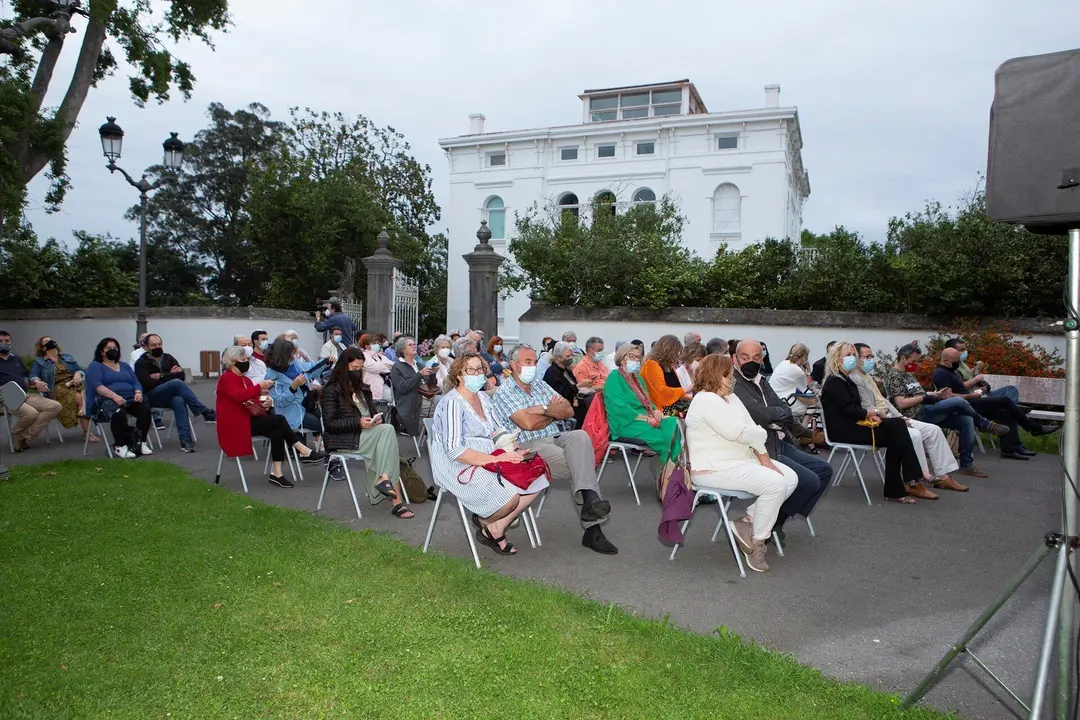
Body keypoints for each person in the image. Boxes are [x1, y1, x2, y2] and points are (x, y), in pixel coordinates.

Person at [492, 344, 618, 555]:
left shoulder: (540, 385)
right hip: (528, 446)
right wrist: (552, 412)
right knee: (580, 464)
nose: (533, 366)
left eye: (534, 361)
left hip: (556, 437)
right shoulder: (505, 392)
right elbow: (527, 424)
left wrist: (541, 409)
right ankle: (592, 524)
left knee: (580, 436)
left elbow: (568, 410)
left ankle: (590, 504)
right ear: (513, 365)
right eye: (528, 362)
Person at [686, 353, 799, 573]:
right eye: (728, 375)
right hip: (712, 468)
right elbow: (740, 432)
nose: (732, 379)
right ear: (715, 375)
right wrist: (761, 451)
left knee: (791, 478)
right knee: (776, 484)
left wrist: (759, 448)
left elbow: (753, 429)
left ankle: (747, 521)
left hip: (739, 461)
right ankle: (757, 542)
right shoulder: (705, 399)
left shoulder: (731, 398)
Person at [431, 352, 548, 556]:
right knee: (510, 498)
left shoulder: (483, 397)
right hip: (458, 464)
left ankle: (495, 526)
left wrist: (514, 449)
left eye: (480, 369)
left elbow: (498, 430)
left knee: (537, 475)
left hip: (489, 457)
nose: (478, 374)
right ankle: (486, 519)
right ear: (459, 375)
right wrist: (497, 458)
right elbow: (454, 450)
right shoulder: (453, 403)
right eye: (471, 370)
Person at [731, 339, 832, 543]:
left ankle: (776, 520)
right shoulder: (734, 383)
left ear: (762, 359)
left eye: (756, 357)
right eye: (745, 357)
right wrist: (778, 414)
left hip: (780, 441)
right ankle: (765, 522)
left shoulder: (761, 380)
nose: (751, 362)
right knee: (809, 480)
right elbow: (760, 414)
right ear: (735, 359)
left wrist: (778, 415)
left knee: (824, 471)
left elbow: (784, 409)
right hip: (760, 449)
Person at [852, 343, 966, 494]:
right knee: (919, 431)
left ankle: (943, 476)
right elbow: (880, 406)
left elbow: (884, 401)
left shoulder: (867, 376)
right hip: (883, 419)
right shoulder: (856, 379)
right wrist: (900, 417)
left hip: (896, 415)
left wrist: (900, 417)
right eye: (867, 357)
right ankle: (920, 478)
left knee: (934, 430)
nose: (871, 360)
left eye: (872, 356)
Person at [880, 343, 1007, 479]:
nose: (915, 364)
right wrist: (924, 397)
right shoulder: (894, 376)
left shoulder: (908, 374)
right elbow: (901, 403)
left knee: (966, 420)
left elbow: (916, 394)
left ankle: (966, 465)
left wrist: (933, 394)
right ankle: (986, 424)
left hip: (927, 408)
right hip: (916, 414)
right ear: (903, 358)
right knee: (959, 401)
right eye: (914, 361)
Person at [821, 342, 924, 504]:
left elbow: (854, 409)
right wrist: (872, 412)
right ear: (837, 358)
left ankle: (906, 480)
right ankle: (907, 480)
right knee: (896, 434)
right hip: (844, 430)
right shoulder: (835, 381)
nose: (853, 358)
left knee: (897, 425)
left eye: (854, 355)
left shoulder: (845, 379)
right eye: (848, 355)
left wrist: (871, 414)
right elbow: (850, 411)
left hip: (855, 423)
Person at [321, 347, 414, 518]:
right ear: (344, 367)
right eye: (354, 368)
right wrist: (357, 422)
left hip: (369, 435)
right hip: (345, 439)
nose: (357, 372)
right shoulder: (331, 390)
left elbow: (372, 414)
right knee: (388, 434)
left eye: (360, 368)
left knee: (386, 435)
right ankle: (395, 499)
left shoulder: (363, 389)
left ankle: (386, 481)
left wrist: (375, 420)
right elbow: (330, 424)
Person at [216, 346, 326, 488]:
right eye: (243, 360)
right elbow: (238, 396)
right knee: (279, 419)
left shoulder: (245, 380)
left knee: (277, 432)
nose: (246, 362)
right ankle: (302, 450)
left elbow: (252, 401)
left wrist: (265, 404)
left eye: (247, 359)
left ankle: (277, 473)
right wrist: (259, 387)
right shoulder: (227, 378)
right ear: (232, 362)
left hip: (247, 420)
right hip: (234, 424)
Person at [933, 346, 1057, 460]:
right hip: (965, 406)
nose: (958, 363)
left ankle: (1009, 449)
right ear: (946, 361)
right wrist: (971, 395)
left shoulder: (949, 370)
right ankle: (1034, 427)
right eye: (956, 361)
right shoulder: (941, 374)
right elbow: (948, 396)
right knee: (1004, 400)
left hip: (972, 402)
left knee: (1005, 412)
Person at [604, 342, 683, 481]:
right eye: (631, 356)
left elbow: (648, 402)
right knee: (664, 437)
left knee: (675, 424)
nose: (635, 360)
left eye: (638, 357)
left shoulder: (637, 379)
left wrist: (655, 411)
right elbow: (620, 409)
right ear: (621, 358)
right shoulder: (614, 378)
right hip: (625, 423)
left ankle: (671, 471)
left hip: (644, 418)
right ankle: (669, 476)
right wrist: (646, 418)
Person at [134, 334, 216, 453]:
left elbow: (181, 376)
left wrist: (160, 376)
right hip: (151, 396)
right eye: (153, 345)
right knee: (175, 383)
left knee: (179, 400)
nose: (157, 347)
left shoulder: (168, 358)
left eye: (159, 344)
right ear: (146, 347)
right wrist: (170, 375)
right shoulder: (141, 363)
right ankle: (204, 411)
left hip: (169, 396)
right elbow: (147, 383)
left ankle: (186, 441)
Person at [86, 337, 153, 459]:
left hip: (130, 399)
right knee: (118, 412)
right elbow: (98, 386)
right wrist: (114, 396)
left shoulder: (124, 366)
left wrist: (138, 392)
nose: (113, 350)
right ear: (102, 351)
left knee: (145, 409)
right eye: (109, 348)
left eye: (115, 348)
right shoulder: (95, 366)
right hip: (107, 401)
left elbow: (135, 382)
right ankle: (120, 446)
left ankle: (140, 442)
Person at [0, 330, 62, 450]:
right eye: (1, 341)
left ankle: (23, 436)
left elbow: (26, 377)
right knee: (31, 413)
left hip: (24, 394)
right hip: (5, 398)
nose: (4, 343)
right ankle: (18, 436)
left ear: (11, 342)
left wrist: (36, 383)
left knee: (55, 406)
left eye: (7, 340)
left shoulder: (16, 358)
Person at [29, 335, 96, 443]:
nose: (51, 342)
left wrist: (78, 373)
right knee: (80, 397)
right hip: (56, 388)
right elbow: (33, 376)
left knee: (86, 396)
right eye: (47, 341)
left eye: (51, 340)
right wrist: (37, 381)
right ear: (43, 348)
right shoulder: (40, 362)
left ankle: (87, 431)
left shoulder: (67, 357)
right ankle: (87, 433)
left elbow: (80, 369)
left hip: (74, 383)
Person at [264, 338, 323, 445]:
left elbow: (310, 370)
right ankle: (298, 448)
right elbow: (279, 401)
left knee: (326, 420)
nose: (294, 356)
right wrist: (293, 387)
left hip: (305, 405)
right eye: (291, 354)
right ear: (283, 355)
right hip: (290, 412)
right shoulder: (271, 375)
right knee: (320, 424)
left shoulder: (294, 364)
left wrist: (325, 362)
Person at [945, 337, 1021, 405]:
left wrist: (976, 368)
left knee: (1010, 389)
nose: (965, 352)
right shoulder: (951, 366)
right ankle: (1011, 413)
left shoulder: (961, 362)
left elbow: (968, 375)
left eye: (965, 349)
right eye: (961, 350)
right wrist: (976, 379)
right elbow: (960, 387)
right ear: (951, 351)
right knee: (1009, 394)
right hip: (974, 397)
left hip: (983, 392)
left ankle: (1010, 412)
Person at [389, 335, 437, 441]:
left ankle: (435, 437)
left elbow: (432, 385)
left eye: (414, 344)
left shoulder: (419, 364)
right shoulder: (397, 367)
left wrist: (433, 374)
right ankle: (432, 437)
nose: (414, 346)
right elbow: (402, 388)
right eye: (410, 345)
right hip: (411, 399)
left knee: (442, 403)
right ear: (402, 350)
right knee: (438, 407)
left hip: (426, 396)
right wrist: (419, 375)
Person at [542, 341, 591, 428]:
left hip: (576, 405)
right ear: (558, 358)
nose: (571, 358)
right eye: (567, 356)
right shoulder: (552, 373)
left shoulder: (566, 370)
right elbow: (561, 392)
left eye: (572, 355)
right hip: (565, 410)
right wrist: (579, 386)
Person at [641, 334, 691, 413]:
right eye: (676, 353)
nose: (677, 356)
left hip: (673, 405)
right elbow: (661, 394)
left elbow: (675, 390)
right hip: (660, 409)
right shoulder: (651, 365)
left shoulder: (668, 366)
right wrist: (686, 389)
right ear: (668, 352)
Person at [768, 343, 815, 418]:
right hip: (785, 403)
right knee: (814, 403)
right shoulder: (797, 370)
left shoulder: (783, 363)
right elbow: (805, 391)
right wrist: (808, 371)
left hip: (774, 400)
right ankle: (805, 425)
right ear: (804, 357)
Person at [130, 332, 165, 429]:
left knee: (176, 393)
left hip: (157, 382)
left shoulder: (160, 354)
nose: (156, 346)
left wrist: (162, 375)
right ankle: (156, 418)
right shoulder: (136, 354)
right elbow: (145, 371)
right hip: (140, 381)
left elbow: (170, 371)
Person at [358, 334, 395, 404]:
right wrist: (386, 366)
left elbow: (393, 365)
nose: (377, 345)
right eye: (373, 343)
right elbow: (376, 367)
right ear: (366, 346)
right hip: (371, 387)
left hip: (384, 385)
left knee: (396, 399)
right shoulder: (364, 356)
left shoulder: (379, 356)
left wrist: (386, 366)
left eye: (377, 343)